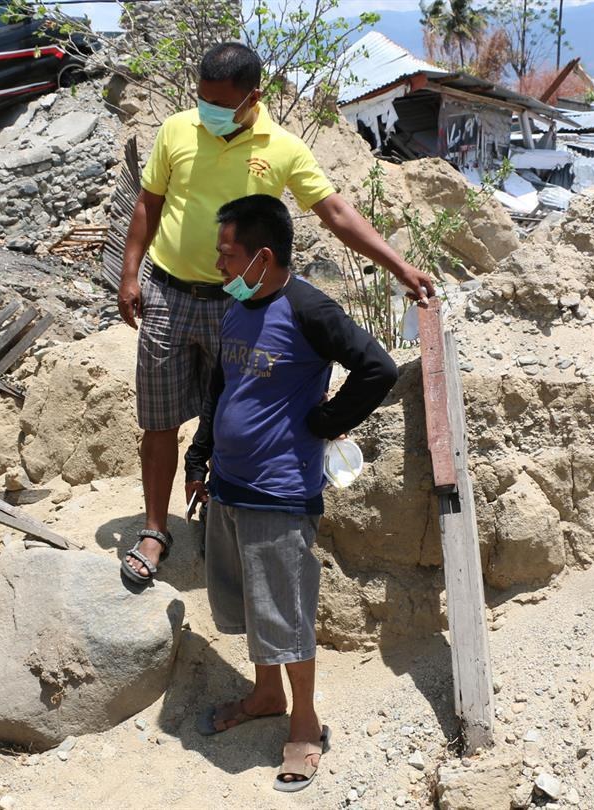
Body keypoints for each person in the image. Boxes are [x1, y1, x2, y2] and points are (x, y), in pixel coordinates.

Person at [117, 41, 435, 585]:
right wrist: (130, 274)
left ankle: (224, 512)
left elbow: (335, 211)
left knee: (232, 411)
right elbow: (149, 202)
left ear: (253, 98)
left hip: (239, 302)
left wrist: (399, 267)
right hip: (168, 294)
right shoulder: (176, 131)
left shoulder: (283, 147)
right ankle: (154, 528)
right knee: (159, 420)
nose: (207, 111)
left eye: (220, 103)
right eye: (202, 99)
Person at [186, 194, 398, 793]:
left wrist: (325, 422)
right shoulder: (237, 303)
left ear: (264, 256)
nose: (220, 265)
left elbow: (378, 368)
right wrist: (200, 455)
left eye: (228, 255)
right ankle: (265, 695)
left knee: (287, 610)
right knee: (251, 605)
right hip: (229, 485)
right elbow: (222, 386)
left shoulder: (308, 308)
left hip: (278, 492)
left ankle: (305, 724)